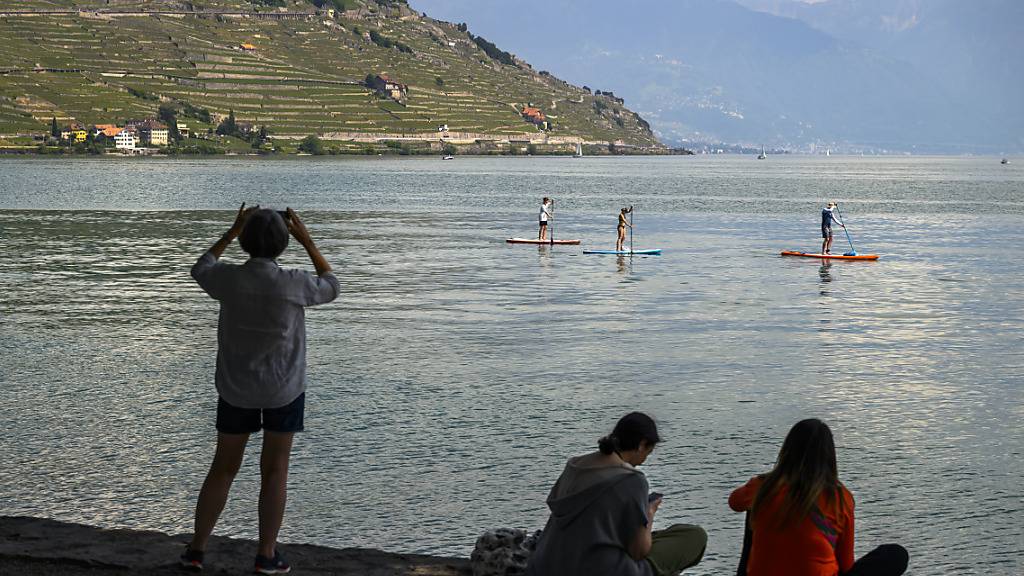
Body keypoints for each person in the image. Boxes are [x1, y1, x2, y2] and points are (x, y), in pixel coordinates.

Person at [182, 204, 339, 575]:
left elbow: (199, 267)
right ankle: (266, 555)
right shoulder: (293, 282)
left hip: (236, 388)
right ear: (285, 245)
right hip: (284, 388)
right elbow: (332, 285)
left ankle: (196, 550)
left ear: (244, 242)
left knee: (223, 468)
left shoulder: (229, 280)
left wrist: (230, 232)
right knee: (275, 470)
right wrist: (309, 241)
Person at [527, 412, 707, 576]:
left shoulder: (574, 465)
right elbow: (639, 551)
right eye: (648, 453)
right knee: (693, 536)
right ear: (642, 444)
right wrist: (649, 513)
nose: (643, 461)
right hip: (601, 569)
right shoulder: (631, 479)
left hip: (544, 565)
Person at [728, 419, 909, 576]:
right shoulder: (840, 498)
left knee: (755, 505)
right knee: (896, 554)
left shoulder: (762, 485)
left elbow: (734, 503)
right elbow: (846, 565)